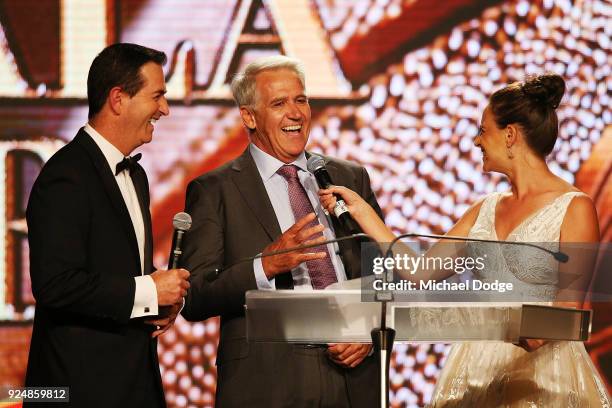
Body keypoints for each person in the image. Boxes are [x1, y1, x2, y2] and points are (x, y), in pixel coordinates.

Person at [319, 73, 611, 406]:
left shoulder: (575, 208)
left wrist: (504, 324)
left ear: (511, 135)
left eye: (483, 131)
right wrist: (361, 211)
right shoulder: (484, 208)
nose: (476, 141)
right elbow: (420, 272)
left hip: (543, 380)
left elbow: (568, 314)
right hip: (476, 373)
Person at [180, 55, 382, 407]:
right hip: (269, 378)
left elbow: (383, 271)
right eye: (279, 103)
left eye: (300, 99)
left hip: (353, 371)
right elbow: (195, 296)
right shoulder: (215, 189)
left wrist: (367, 328)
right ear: (249, 116)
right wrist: (266, 266)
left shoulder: (348, 177)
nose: (296, 112)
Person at [25, 43, 190, 407]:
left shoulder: (137, 176)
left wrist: (159, 298)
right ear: (118, 99)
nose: (164, 109)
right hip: (79, 389)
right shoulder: (66, 176)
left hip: (136, 385)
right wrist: (148, 291)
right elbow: (56, 284)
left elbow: (116, 270)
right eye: (157, 96)